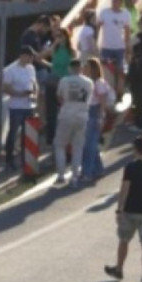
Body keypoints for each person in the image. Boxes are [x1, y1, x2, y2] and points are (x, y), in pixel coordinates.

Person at [104, 135, 142, 282]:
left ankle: (119, 269)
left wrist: (119, 210)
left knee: (124, 240)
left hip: (130, 211)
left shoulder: (130, 167)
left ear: (135, 150)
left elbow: (124, 189)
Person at [54, 59, 94, 187]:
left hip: (66, 115)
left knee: (60, 145)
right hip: (82, 116)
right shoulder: (89, 82)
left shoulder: (64, 80)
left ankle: (61, 175)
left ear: (70, 68)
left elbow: (59, 97)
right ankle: (75, 176)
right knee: (78, 147)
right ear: (81, 68)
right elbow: (89, 99)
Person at [2, 46, 38, 169]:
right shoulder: (10, 70)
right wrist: (19, 94)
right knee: (13, 132)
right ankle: (9, 159)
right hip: (16, 106)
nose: (31, 60)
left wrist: (35, 94)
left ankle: (26, 159)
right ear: (23, 56)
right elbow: (6, 87)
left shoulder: (31, 68)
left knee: (27, 134)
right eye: (29, 57)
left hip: (29, 105)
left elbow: (34, 84)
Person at [83, 57, 116, 182]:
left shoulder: (99, 82)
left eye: (86, 67)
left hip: (95, 112)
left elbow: (102, 101)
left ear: (93, 69)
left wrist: (101, 116)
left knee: (90, 145)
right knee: (91, 144)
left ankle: (87, 172)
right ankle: (98, 169)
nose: (84, 69)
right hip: (88, 112)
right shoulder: (88, 82)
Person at [45, 28, 77, 146]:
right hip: (53, 81)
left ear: (66, 37)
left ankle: (66, 136)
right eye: (57, 36)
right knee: (51, 112)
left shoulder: (71, 51)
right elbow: (46, 54)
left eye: (61, 36)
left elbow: (74, 66)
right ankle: (51, 137)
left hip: (65, 82)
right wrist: (55, 43)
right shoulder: (55, 49)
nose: (59, 38)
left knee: (66, 110)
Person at [98, 0, 132, 99]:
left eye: (117, 1)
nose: (115, 2)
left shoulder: (126, 14)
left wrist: (127, 46)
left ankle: (119, 93)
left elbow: (127, 31)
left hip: (120, 47)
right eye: (113, 1)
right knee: (107, 71)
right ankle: (109, 93)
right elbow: (98, 27)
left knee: (120, 71)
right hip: (106, 47)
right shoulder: (104, 13)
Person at [129, 15, 142, 131]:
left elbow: (128, 46)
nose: (137, 24)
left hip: (138, 69)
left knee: (138, 96)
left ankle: (140, 123)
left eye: (139, 23)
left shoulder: (139, 36)